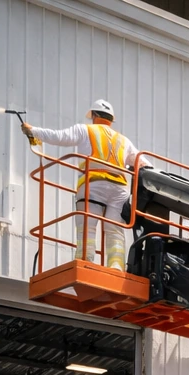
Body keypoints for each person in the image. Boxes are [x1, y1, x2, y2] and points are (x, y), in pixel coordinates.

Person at [21, 100, 141, 270]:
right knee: (115, 231)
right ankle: (116, 267)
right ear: (110, 119)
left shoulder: (85, 130)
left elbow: (58, 137)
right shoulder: (124, 141)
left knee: (87, 227)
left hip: (94, 185)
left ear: (94, 115)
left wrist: (33, 131)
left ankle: (85, 262)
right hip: (118, 189)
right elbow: (142, 163)